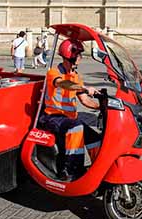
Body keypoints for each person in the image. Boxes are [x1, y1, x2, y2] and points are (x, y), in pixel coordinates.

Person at [37, 39, 101, 180]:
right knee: (76, 128)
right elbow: (63, 84)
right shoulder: (54, 73)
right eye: (78, 54)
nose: (81, 58)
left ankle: (98, 169)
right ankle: (71, 170)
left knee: (95, 138)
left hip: (69, 119)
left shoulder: (76, 77)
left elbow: (85, 100)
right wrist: (84, 87)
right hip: (53, 117)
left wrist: (102, 106)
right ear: (69, 54)